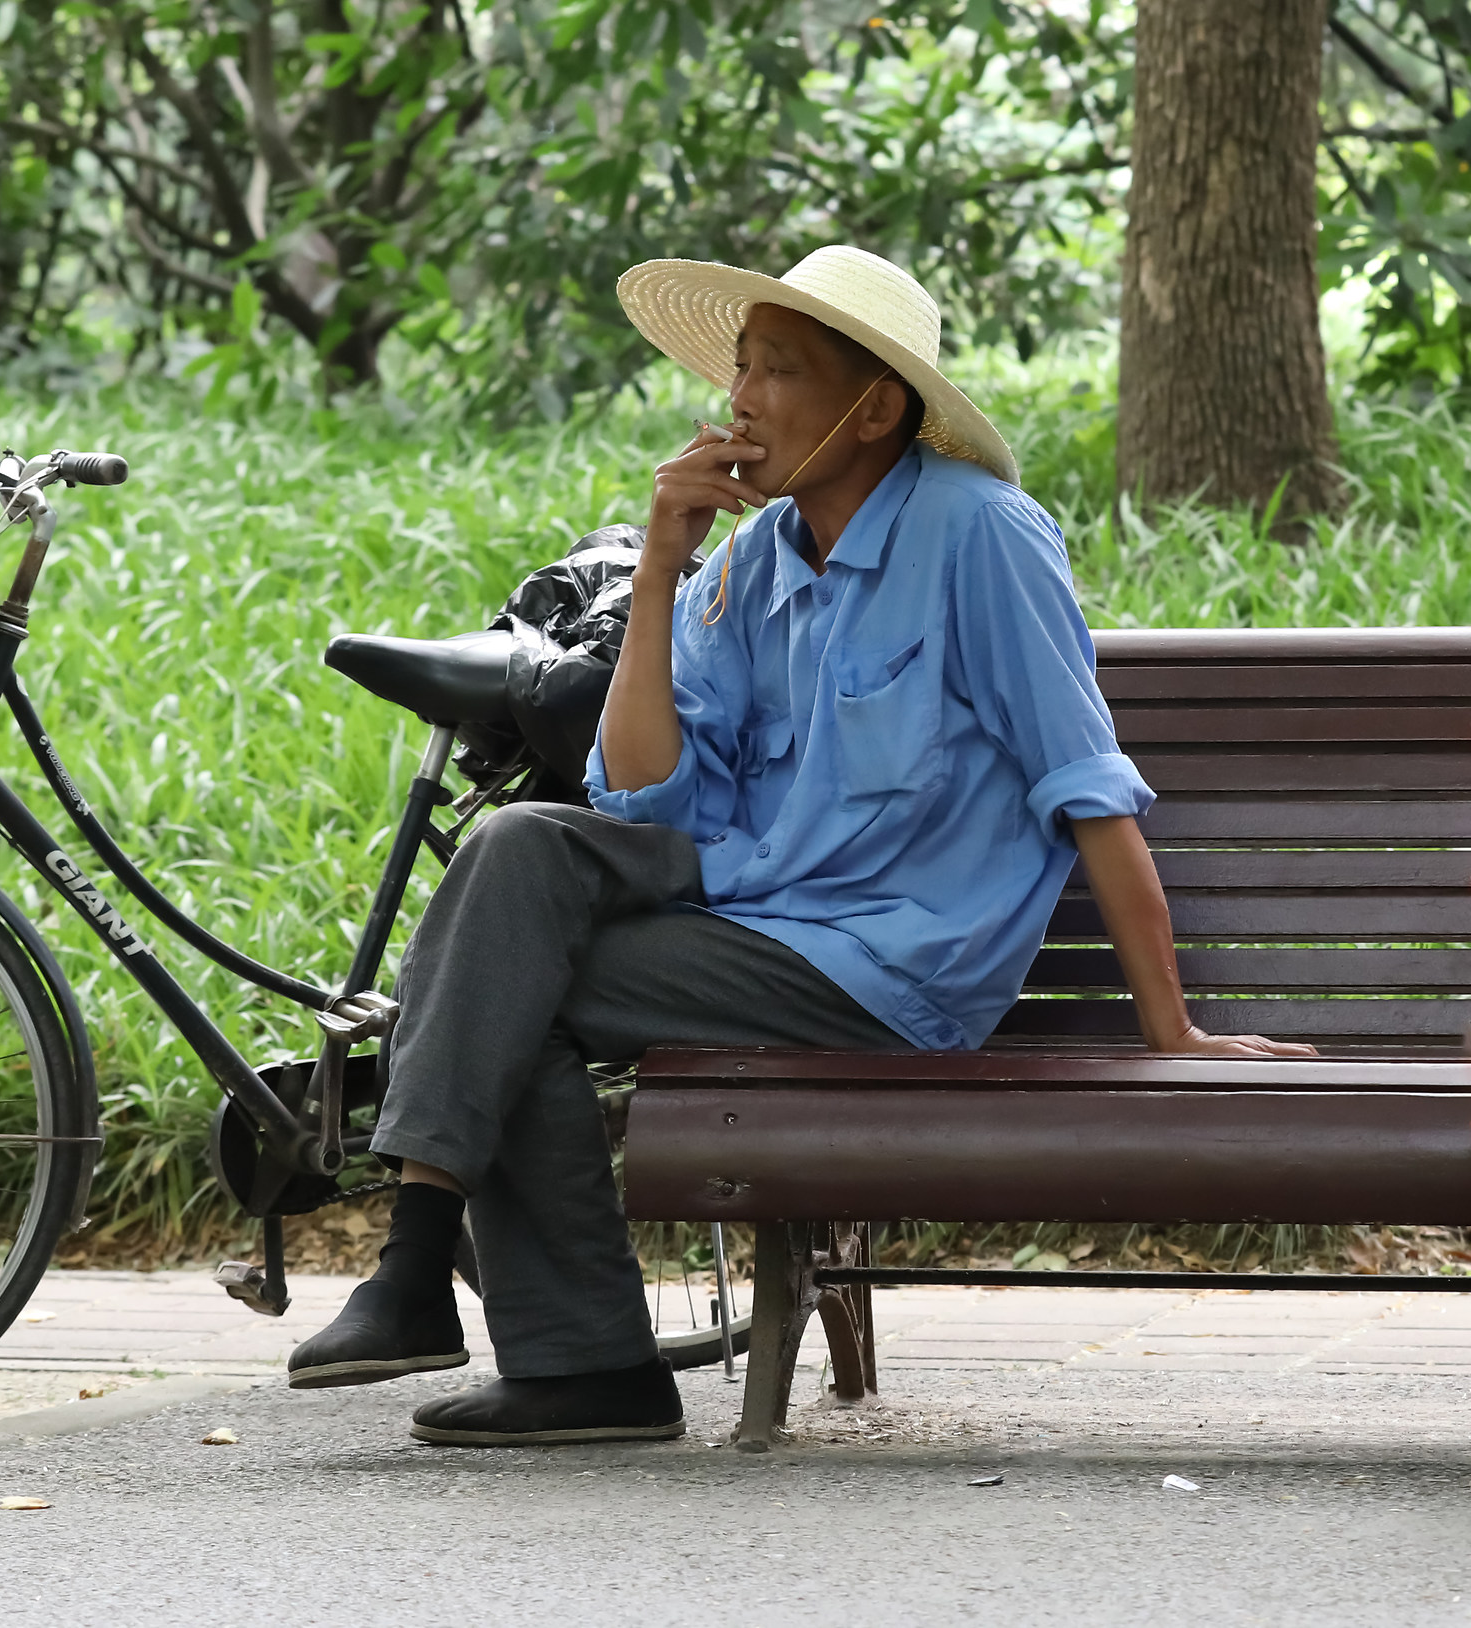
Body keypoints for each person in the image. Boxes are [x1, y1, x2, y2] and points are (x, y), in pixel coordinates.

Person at [285, 245, 1314, 1447]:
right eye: (741, 365)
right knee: (518, 851)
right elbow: (647, 799)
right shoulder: (753, 562)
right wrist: (662, 569)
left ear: (876, 407)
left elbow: (1085, 785)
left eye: (780, 369)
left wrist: (1170, 1031)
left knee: (506, 974)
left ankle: (538, 1341)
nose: (741, 397)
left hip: (888, 965)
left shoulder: (982, 535)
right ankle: (472, 1307)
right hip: (755, 915)